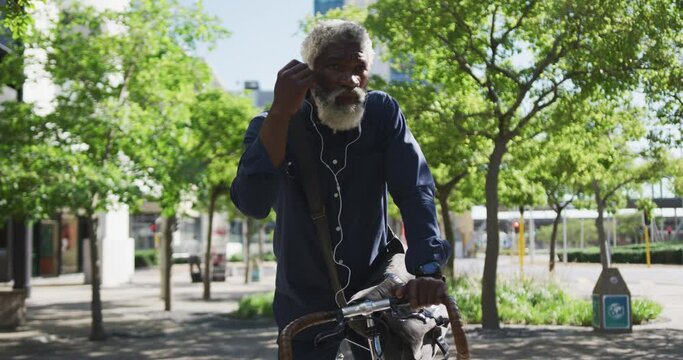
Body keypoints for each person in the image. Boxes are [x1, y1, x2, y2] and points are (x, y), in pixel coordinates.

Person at [230, 20, 451, 359]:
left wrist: (428, 271)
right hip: (302, 298)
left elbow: (415, 189)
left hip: (379, 292)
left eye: (358, 68)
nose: (349, 80)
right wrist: (279, 113)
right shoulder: (270, 126)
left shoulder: (381, 114)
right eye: (335, 67)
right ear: (308, 72)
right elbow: (252, 203)